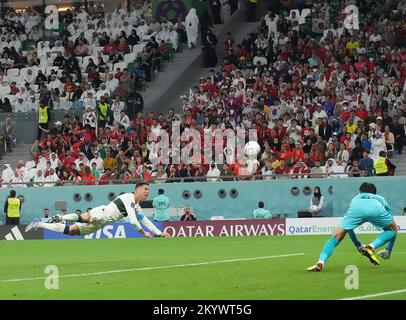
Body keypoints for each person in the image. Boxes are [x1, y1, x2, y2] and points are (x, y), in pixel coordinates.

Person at [26, 182, 171, 238]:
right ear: (137, 190)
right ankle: (60, 217)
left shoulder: (137, 206)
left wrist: (158, 233)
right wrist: (144, 233)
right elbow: (133, 221)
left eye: (148, 190)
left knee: (71, 232)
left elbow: (144, 220)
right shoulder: (128, 198)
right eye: (146, 189)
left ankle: (39, 224)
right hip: (101, 213)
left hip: (101, 224)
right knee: (85, 217)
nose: (147, 192)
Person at [307, 183, 398, 272]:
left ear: (360, 192)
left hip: (356, 208)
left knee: (336, 236)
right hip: (376, 208)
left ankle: (320, 263)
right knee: (392, 230)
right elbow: (392, 223)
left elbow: (348, 228)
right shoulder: (380, 198)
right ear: (374, 193)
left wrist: (357, 244)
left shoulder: (355, 198)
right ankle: (371, 247)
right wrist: (388, 249)